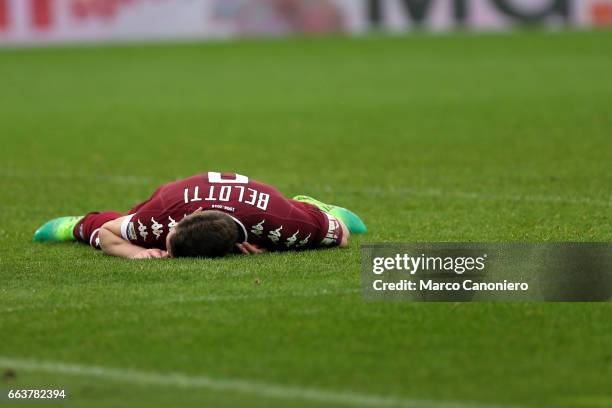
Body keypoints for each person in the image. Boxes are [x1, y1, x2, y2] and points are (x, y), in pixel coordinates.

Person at [33, 171, 367, 259]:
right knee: (113, 226)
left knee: (316, 228)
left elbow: (344, 236)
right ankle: (75, 224)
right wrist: (137, 252)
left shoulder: (285, 224)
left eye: (167, 243)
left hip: (263, 203)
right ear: (182, 221)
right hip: (177, 195)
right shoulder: (162, 217)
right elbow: (109, 232)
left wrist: (327, 217)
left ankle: (314, 203)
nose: (162, 242)